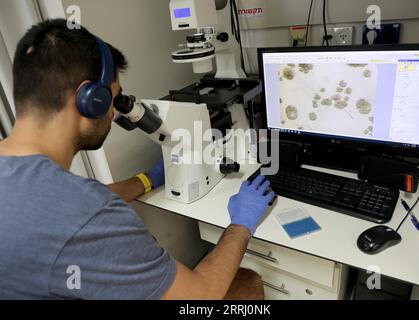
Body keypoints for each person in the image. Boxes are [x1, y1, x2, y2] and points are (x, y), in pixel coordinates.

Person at [0, 19, 276, 300]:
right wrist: (241, 225)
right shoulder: (91, 215)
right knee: (247, 283)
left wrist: (148, 179)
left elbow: (59, 206)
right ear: (91, 99)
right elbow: (201, 295)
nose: (114, 112)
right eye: (115, 99)